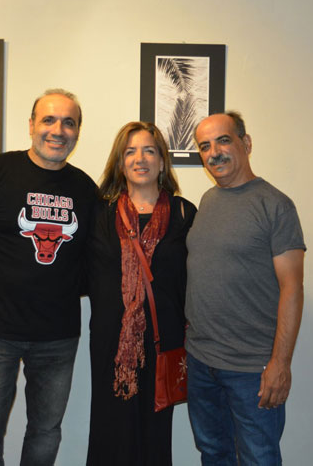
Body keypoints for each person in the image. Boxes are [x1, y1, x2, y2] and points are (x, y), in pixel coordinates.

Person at [0, 88, 98, 466]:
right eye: (48, 120)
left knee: (46, 433)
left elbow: (101, 259)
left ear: (78, 132)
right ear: (31, 125)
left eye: (68, 123)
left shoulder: (86, 190)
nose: (58, 130)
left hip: (58, 335)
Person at [185, 112, 306, 465]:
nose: (214, 153)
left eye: (223, 141)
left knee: (258, 458)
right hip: (201, 362)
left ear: (246, 143)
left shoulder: (275, 205)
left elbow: (293, 288)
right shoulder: (207, 200)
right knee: (213, 453)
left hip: (251, 370)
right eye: (205, 146)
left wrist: (281, 363)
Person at [86, 122, 196, 465]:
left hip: (164, 341)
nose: (140, 159)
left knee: (154, 434)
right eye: (130, 152)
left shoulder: (184, 214)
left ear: (162, 161)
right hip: (111, 343)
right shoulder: (100, 215)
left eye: (149, 150)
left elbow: (197, 281)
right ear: (120, 163)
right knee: (110, 431)